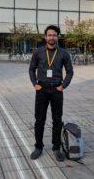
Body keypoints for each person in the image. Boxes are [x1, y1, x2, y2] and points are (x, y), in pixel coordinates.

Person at [29, 25, 74, 161]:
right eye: (49, 35)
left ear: (57, 37)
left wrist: (63, 86)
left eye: (54, 35)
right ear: (45, 37)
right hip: (41, 90)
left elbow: (70, 72)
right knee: (39, 120)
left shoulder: (63, 53)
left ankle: (56, 148)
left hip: (56, 90)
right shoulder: (38, 52)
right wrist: (35, 84)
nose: (51, 37)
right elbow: (31, 69)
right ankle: (38, 147)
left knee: (57, 120)